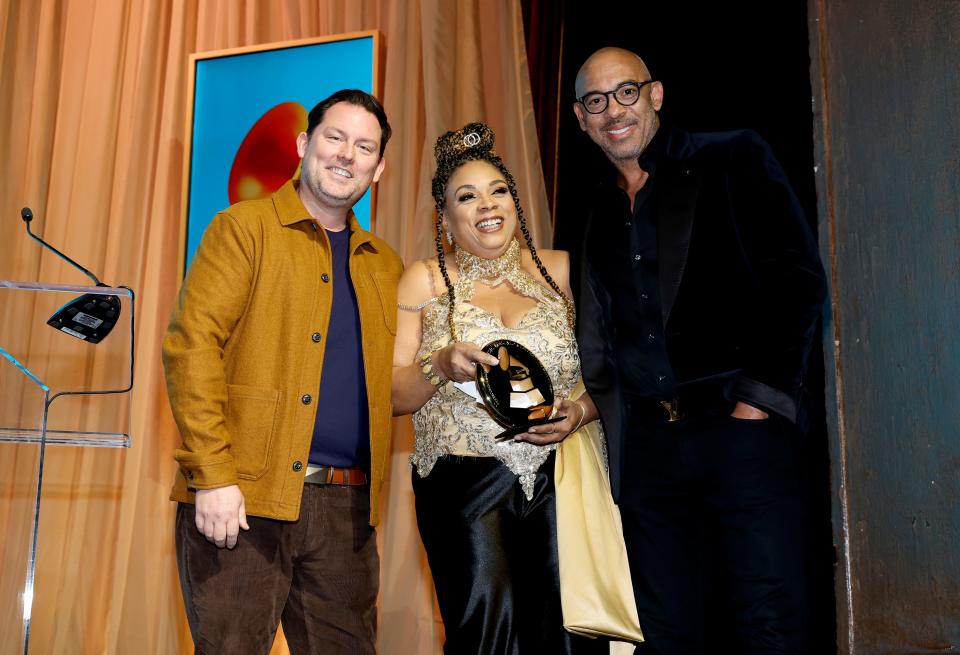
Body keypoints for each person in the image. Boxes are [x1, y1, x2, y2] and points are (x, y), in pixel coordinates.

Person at [571, 47, 828, 654]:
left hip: (738, 430)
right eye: (595, 101)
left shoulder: (731, 155)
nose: (613, 111)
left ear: (655, 95)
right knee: (670, 633)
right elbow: (602, 334)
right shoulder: (595, 211)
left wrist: (755, 407)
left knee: (769, 620)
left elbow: (797, 281)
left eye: (626, 92)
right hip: (651, 455)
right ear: (581, 119)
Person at [162, 89, 403, 655]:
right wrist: (213, 475)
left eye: (364, 147)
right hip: (243, 500)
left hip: (348, 512)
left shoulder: (386, 265)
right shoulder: (243, 229)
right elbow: (191, 347)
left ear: (379, 167)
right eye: (334, 138)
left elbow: (390, 384)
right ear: (304, 144)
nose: (346, 155)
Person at [391, 122, 608, 654]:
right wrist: (439, 362)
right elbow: (392, 395)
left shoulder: (562, 269)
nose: (487, 206)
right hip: (463, 485)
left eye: (498, 190)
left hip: (563, 480)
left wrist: (580, 411)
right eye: (467, 196)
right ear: (445, 219)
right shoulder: (423, 280)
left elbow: (617, 373)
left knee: (571, 633)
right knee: (486, 634)